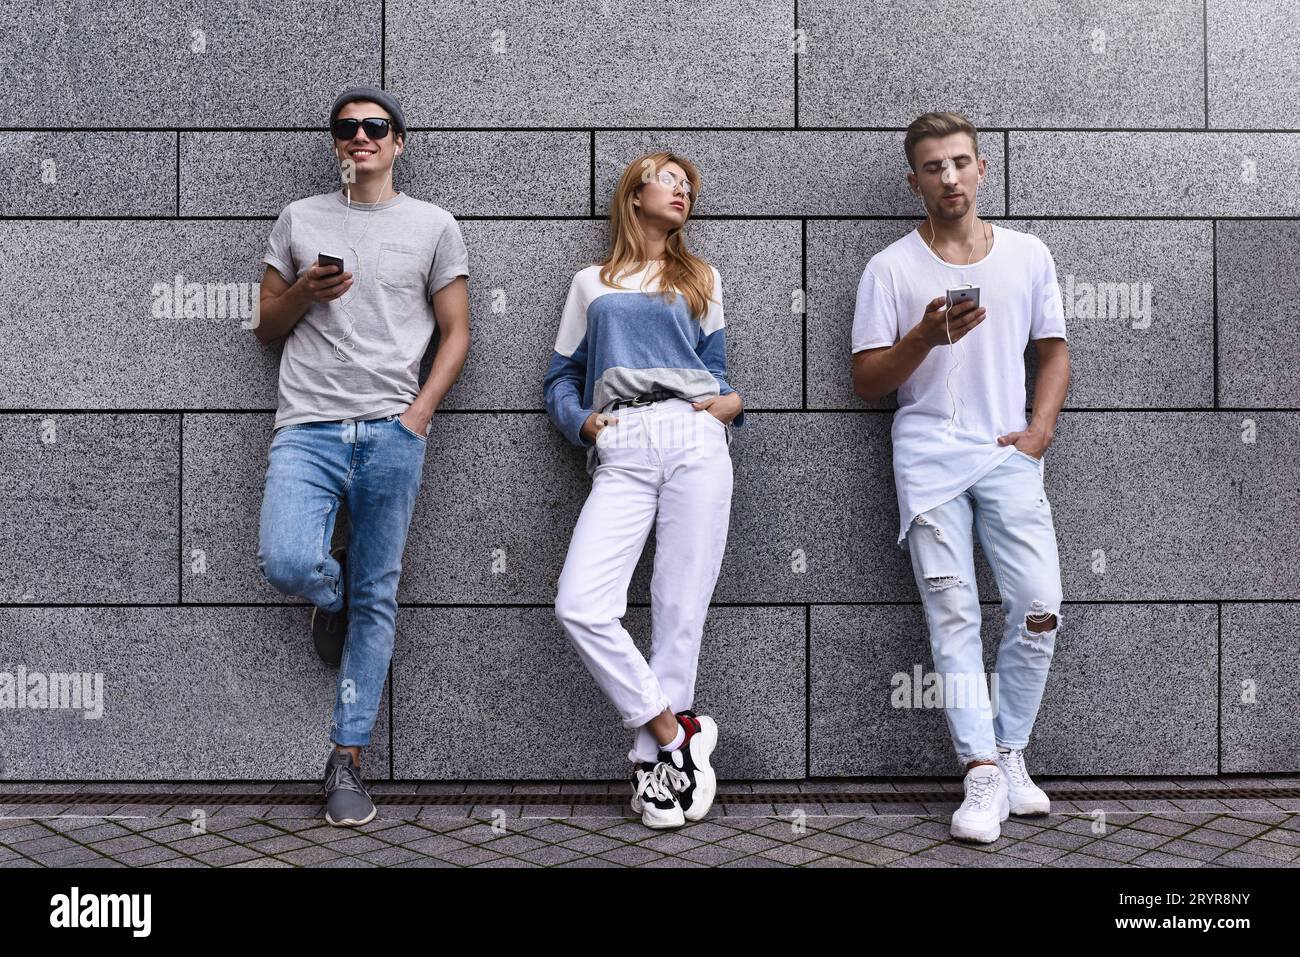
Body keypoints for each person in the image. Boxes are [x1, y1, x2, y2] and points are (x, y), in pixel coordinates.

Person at [252, 85, 471, 827]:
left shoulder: (434, 225)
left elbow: (458, 332)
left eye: (375, 127)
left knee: (382, 595)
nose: (360, 137)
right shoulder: (299, 220)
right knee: (285, 561)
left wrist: (416, 418)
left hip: (391, 431)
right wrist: (307, 293)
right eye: (347, 129)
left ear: (398, 142)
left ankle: (346, 760)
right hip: (308, 426)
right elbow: (264, 328)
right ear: (336, 144)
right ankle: (327, 583)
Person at [851, 112, 1070, 844]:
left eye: (960, 163)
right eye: (933, 167)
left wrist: (1038, 431)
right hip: (929, 458)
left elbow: (1054, 349)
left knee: (1039, 603)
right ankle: (978, 770)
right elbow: (866, 379)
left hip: (1008, 451)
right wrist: (924, 336)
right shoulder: (890, 267)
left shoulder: (1028, 255)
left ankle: (1011, 751)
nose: (949, 178)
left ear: (982, 169)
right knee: (953, 618)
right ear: (913, 180)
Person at [544, 152, 745, 829]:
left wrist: (726, 405)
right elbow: (559, 381)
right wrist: (586, 424)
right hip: (623, 442)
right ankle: (673, 731)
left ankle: (658, 772)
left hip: (694, 437)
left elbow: (715, 373)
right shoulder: (590, 284)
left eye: (690, 183)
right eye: (669, 179)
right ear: (634, 195)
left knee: (677, 607)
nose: (683, 188)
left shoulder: (702, 277)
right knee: (579, 603)